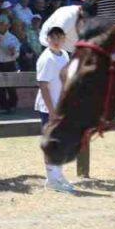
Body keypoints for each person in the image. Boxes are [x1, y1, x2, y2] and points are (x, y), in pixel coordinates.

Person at [36, 25, 76, 193]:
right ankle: (52, 179)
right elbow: (43, 86)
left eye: (60, 37)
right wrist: (51, 110)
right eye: (53, 37)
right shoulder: (46, 58)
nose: (57, 40)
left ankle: (57, 176)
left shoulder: (65, 54)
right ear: (47, 39)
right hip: (48, 108)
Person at [0, 16, 21, 114]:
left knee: (11, 87)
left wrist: (13, 52)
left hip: (9, 64)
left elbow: (17, 54)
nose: (0, 25)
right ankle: (3, 107)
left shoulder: (12, 38)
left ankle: (13, 106)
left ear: (7, 25)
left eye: (2, 24)